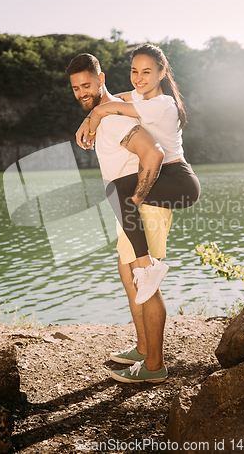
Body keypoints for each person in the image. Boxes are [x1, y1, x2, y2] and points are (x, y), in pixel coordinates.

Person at [66, 53, 171, 383]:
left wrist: (138, 199)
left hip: (143, 206)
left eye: (87, 85)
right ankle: (142, 348)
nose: (82, 92)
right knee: (128, 275)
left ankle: (154, 366)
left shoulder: (115, 120)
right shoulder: (106, 114)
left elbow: (152, 154)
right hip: (127, 208)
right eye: (75, 88)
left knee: (145, 281)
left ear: (101, 79)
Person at [79, 44, 200, 305]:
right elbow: (115, 101)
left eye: (146, 72)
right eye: (134, 71)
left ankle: (147, 266)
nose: (139, 78)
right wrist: (91, 117)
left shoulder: (162, 104)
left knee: (119, 192)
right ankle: (146, 265)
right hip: (166, 175)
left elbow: (108, 108)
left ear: (161, 72)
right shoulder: (140, 97)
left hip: (179, 180)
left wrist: (94, 115)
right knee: (116, 190)